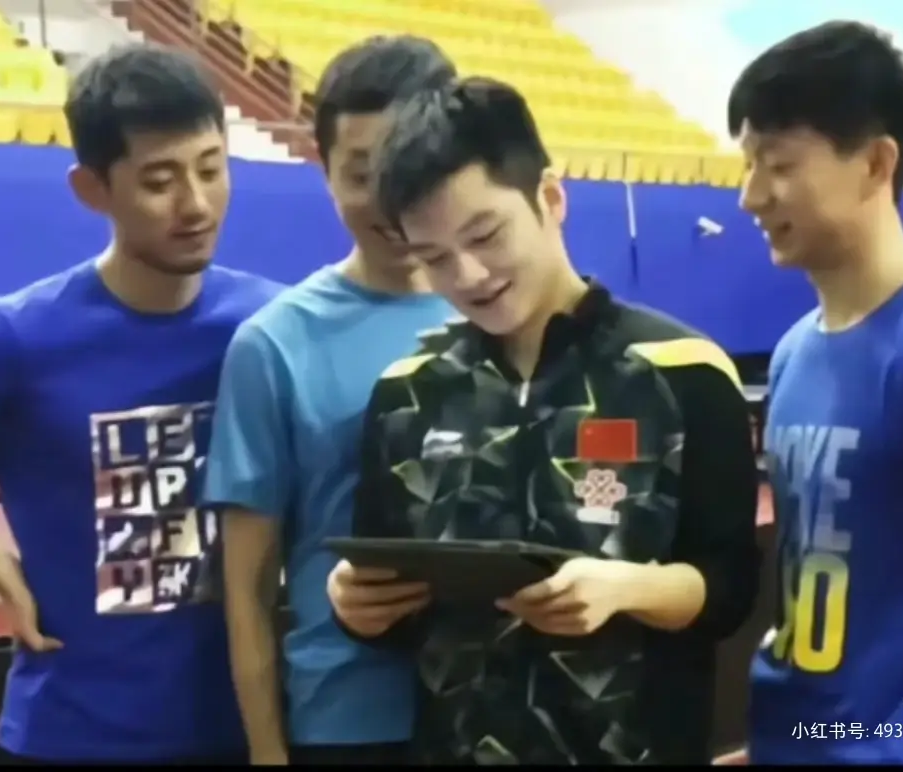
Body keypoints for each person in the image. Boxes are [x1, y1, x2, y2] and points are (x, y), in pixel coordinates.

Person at [0, 43, 283, 764]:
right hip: (72, 734)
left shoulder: (269, 326)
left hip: (242, 729)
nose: (196, 205)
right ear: (92, 189)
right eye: (160, 181)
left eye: (211, 169)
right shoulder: (15, 334)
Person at [324, 76, 761, 765]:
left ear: (550, 199)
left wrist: (629, 589)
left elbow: (730, 590)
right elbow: (398, 604)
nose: (469, 275)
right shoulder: (408, 393)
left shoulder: (683, 371)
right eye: (434, 258)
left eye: (486, 235)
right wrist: (356, 607)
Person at [727, 21, 903, 765]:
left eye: (778, 165)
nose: (750, 195)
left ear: (877, 163)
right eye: (748, 164)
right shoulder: (794, 352)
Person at [202, 36, 455, 766]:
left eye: (411, 167)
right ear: (324, 168)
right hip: (347, 720)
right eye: (363, 174)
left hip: (497, 703)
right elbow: (248, 590)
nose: (391, 200)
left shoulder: (505, 315)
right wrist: (266, 750)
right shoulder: (274, 345)